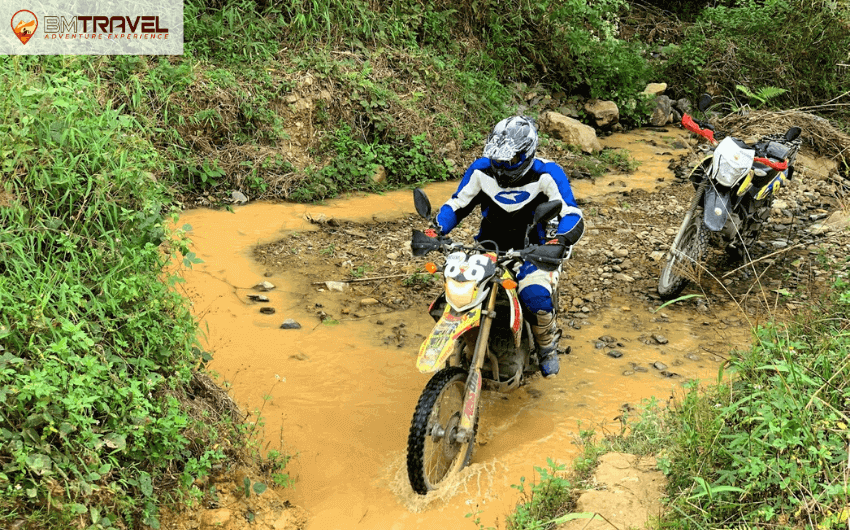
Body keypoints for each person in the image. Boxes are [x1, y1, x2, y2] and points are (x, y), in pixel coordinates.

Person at [432, 115, 584, 378]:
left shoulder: (548, 174)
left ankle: (546, 346)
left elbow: (571, 213)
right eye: (497, 158)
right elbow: (457, 205)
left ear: (527, 154)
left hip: (533, 251)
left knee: (535, 296)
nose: (502, 165)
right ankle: (464, 340)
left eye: (509, 160)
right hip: (486, 250)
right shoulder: (481, 170)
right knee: (454, 294)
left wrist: (559, 241)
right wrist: (435, 230)